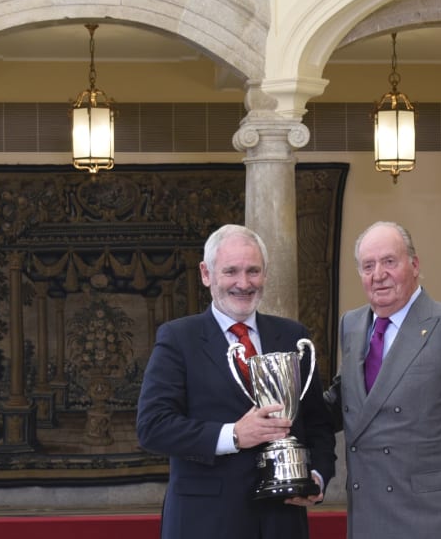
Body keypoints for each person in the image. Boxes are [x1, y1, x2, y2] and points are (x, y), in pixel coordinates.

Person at [136, 224, 336, 539]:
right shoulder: (178, 338)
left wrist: (316, 477)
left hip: (281, 522)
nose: (243, 283)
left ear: (265, 274)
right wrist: (234, 435)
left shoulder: (294, 336)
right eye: (231, 271)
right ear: (207, 273)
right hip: (204, 523)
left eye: (253, 271)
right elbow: (153, 426)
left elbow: (318, 425)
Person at [335, 221, 441, 539]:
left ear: (414, 265)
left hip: (433, 519)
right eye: (368, 266)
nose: (378, 274)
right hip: (367, 516)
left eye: (389, 261)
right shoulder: (352, 324)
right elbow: (351, 400)